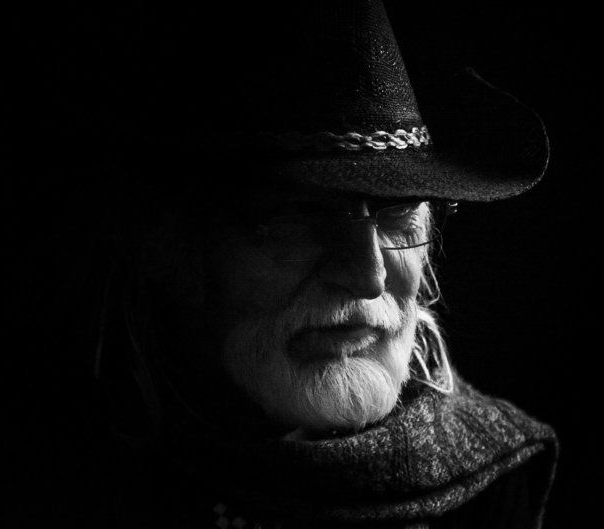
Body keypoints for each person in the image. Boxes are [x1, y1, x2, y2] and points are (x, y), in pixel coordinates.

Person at [68, 1, 558, 527]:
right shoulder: (57, 465)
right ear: (166, 243)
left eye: (399, 214)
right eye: (300, 218)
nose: (368, 277)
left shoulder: (493, 484)